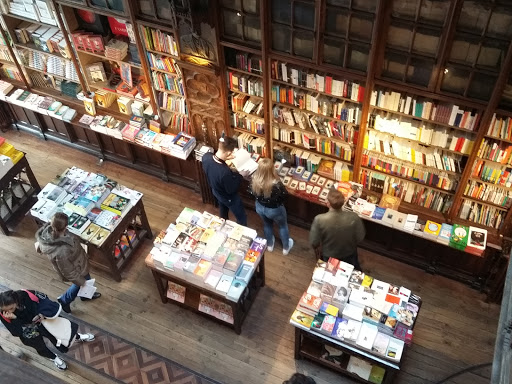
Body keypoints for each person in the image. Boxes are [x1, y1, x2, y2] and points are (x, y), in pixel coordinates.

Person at [0, 290, 94, 370]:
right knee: (41, 346)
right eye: (6, 310)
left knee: (60, 334)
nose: (9, 311)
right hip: (31, 333)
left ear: (16, 301)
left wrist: (42, 314)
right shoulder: (4, 315)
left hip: (45, 322)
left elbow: (44, 299)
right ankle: (54, 357)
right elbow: (16, 332)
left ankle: (76, 336)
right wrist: (14, 318)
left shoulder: (25, 294)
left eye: (11, 308)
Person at [35, 212, 101, 314]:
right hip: (77, 268)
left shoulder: (48, 232)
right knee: (82, 283)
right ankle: (65, 300)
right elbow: (68, 271)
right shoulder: (62, 250)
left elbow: (41, 246)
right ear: (65, 226)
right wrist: (80, 281)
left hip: (78, 262)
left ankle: (84, 295)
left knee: (84, 282)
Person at [309, 188, 365, 270]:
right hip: (349, 253)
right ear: (343, 202)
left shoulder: (319, 219)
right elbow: (360, 237)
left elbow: (314, 242)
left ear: (328, 203)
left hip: (330, 256)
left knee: (331, 275)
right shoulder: (354, 217)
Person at [250, 158, 293, 254]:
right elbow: (284, 196)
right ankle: (286, 247)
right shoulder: (276, 184)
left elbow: (251, 192)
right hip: (274, 209)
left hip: (260, 207)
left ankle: (270, 245)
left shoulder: (254, 180)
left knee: (267, 224)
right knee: (282, 226)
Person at [202, 136, 248, 225]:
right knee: (242, 217)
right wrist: (240, 176)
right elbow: (231, 189)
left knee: (223, 209)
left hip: (216, 191)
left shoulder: (206, 157)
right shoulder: (224, 172)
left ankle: (223, 222)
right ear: (228, 153)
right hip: (229, 198)